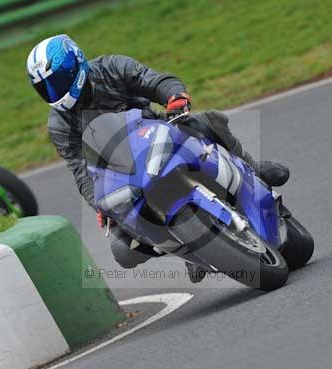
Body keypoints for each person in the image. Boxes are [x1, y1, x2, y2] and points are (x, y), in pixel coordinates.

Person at [26, 34, 290, 279]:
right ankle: (192, 250)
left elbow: (152, 80)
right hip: (121, 172)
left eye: (57, 82)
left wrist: (174, 96)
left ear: (77, 64)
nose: (53, 92)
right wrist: (99, 203)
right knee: (122, 249)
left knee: (206, 122)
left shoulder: (111, 67)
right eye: (45, 88)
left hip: (156, 132)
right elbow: (80, 169)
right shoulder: (59, 125)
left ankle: (252, 168)